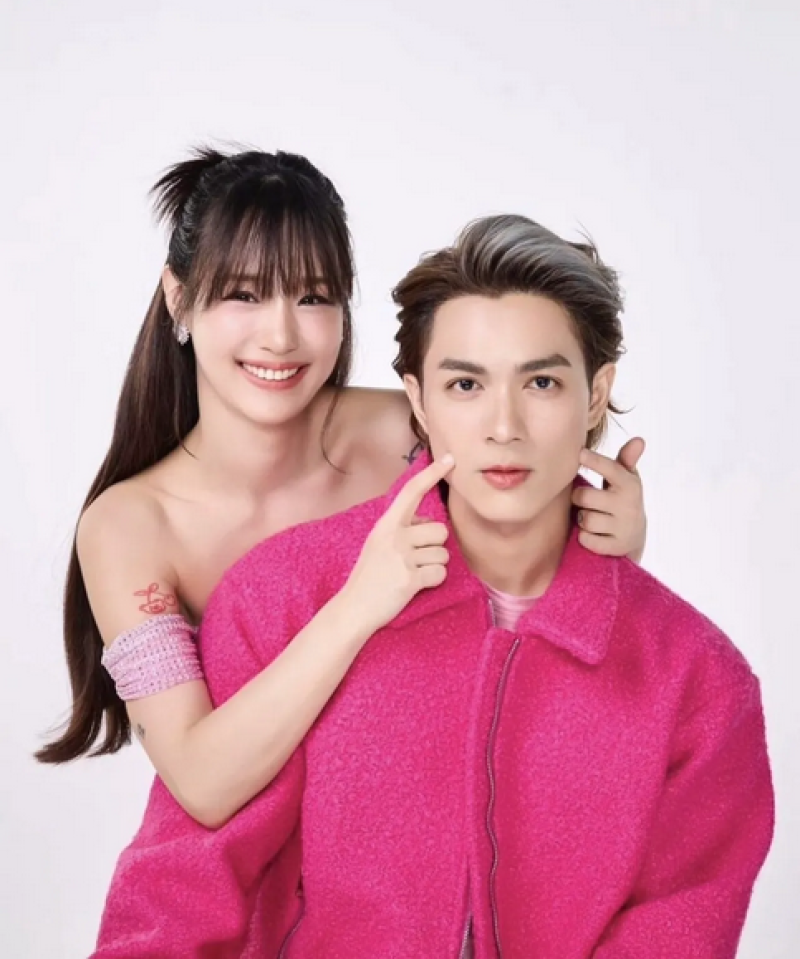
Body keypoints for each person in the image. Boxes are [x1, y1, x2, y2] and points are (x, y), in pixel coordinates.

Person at [92, 214, 773, 958]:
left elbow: (681, 923)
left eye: (542, 382)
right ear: (418, 402)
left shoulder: (699, 680)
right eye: (465, 384)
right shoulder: (280, 599)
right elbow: (185, 889)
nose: (504, 426)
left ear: (595, 395)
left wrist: (611, 578)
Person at [36, 149, 648, 830]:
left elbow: (532, 608)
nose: (281, 336)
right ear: (179, 297)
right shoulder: (128, 527)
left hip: (431, 832)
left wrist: (616, 545)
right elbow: (201, 783)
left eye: (314, 297)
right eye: (244, 294)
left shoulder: (409, 433)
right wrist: (359, 603)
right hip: (266, 863)